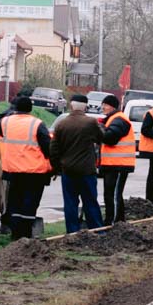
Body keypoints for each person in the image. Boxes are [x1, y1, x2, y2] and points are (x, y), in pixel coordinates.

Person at [0, 94, 53, 240]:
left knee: (15, 202)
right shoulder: (37, 124)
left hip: (13, 171)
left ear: (14, 108)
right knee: (30, 203)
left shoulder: (5, 122)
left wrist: (10, 112)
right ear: (30, 109)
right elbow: (48, 148)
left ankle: (16, 234)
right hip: (34, 172)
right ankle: (26, 234)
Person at [48, 95, 104, 233]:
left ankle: (72, 232)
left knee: (70, 203)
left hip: (68, 170)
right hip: (87, 171)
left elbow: (53, 149)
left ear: (71, 106)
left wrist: (57, 168)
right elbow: (102, 137)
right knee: (90, 201)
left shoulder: (61, 124)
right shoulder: (91, 122)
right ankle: (97, 230)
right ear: (85, 107)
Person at [98, 95, 136, 223]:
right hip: (113, 164)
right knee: (112, 194)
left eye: (106, 105)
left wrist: (100, 129)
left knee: (112, 195)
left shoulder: (119, 119)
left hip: (119, 164)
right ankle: (119, 221)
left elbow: (110, 138)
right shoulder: (113, 119)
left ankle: (112, 222)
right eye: (103, 104)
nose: (103, 107)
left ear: (113, 107)